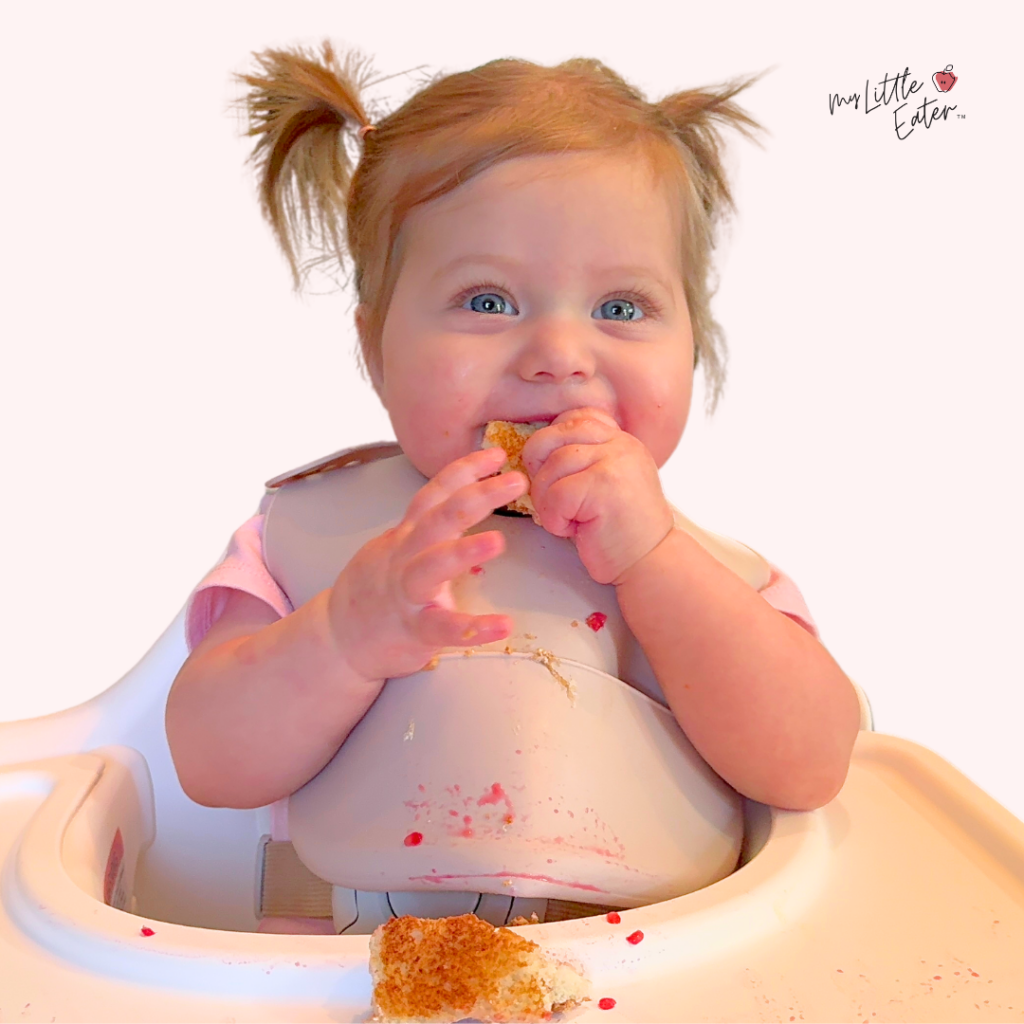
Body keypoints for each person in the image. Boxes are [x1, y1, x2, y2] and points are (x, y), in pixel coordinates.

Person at [165, 41, 862, 930]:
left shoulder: (720, 580)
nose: (560, 359)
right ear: (375, 344)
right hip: (345, 976)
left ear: (693, 338)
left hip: (658, 982)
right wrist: (342, 636)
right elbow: (207, 765)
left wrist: (656, 566)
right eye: (488, 302)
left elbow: (813, 768)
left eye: (622, 308)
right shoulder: (309, 545)